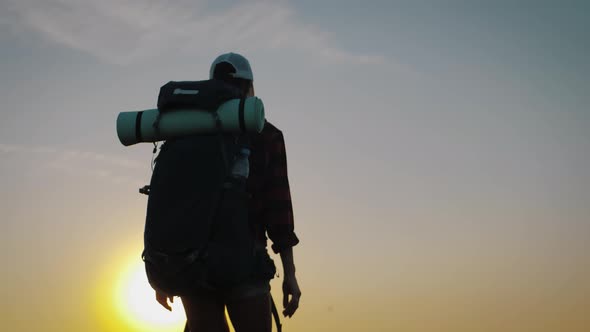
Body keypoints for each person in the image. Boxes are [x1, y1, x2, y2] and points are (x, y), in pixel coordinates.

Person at [154, 52, 302, 332]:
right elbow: (279, 209)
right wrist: (290, 274)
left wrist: (163, 270)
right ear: (249, 87)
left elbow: (168, 204)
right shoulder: (266, 134)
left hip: (193, 262)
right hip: (247, 260)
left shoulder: (187, 133)